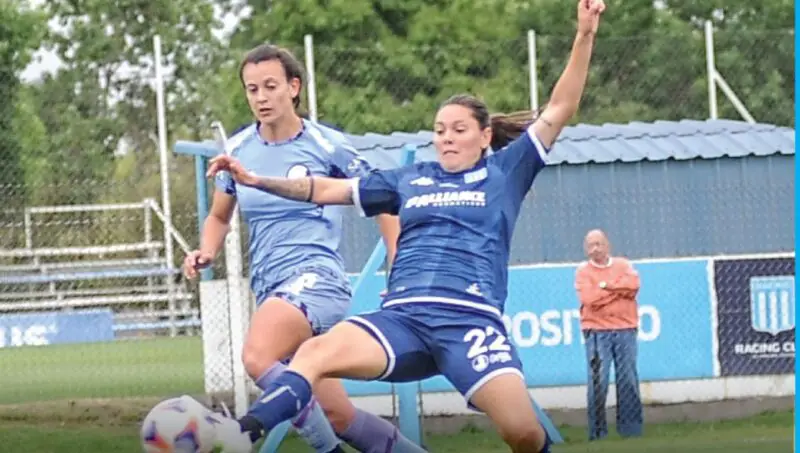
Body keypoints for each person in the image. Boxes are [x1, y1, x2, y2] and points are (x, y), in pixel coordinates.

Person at [202, 1, 605, 451]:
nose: (446, 138)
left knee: (524, 433)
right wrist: (257, 180)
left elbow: (561, 106)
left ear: (485, 136)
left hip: (467, 324)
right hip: (404, 320)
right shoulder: (410, 180)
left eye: (458, 129)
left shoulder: (506, 172)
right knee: (313, 355)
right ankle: (242, 431)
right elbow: (324, 190)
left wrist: (584, 34)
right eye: (439, 130)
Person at [182, 43, 426, 453]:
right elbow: (220, 217)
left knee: (258, 356)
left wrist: (399, 265)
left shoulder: (327, 146)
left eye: (270, 86)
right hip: (272, 290)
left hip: (316, 282)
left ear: (294, 87)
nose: (261, 97)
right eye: (252, 89)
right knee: (338, 416)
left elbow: (383, 201)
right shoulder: (239, 151)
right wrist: (206, 251)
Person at [575, 229, 644, 441]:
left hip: (625, 330)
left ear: (608, 245)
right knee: (598, 382)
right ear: (586, 249)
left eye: (599, 243)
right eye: (591, 245)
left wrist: (606, 286)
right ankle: (597, 433)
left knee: (628, 380)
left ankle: (631, 431)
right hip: (597, 333)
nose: (596, 248)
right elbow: (590, 300)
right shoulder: (583, 272)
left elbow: (633, 286)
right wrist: (617, 292)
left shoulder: (623, 265)